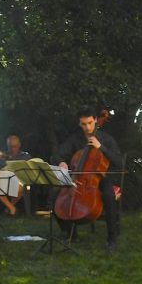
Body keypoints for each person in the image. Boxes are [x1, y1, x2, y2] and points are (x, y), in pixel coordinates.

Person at [57, 106, 124, 251]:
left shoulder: (106, 139)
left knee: (108, 196)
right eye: (83, 124)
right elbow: (59, 154)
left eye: (90, 123)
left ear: (95, 120)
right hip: (77, 177)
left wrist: (101, 148)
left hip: (101, 178)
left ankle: (111, 238)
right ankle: (70, 232)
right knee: (56, 196)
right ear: (79, 124)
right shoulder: (75, 139)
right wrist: (61, 162)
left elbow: (119, 161)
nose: (87, 127)